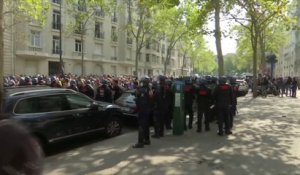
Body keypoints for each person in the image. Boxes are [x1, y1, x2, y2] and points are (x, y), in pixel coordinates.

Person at [132, 76, 153, 148]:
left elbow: (141, 100)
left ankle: (140, 143)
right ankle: (147, 140)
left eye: (141, 82)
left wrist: (137, 100)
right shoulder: (149, 89)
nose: (140, 83)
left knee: (141, 126)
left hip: (143, 110)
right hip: (147, 110)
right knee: (146, 125)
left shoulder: (142, 90)